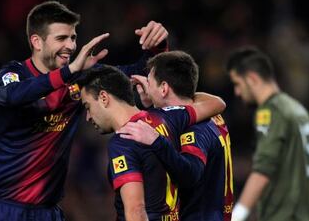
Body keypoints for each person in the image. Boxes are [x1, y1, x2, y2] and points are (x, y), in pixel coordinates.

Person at [0, 0, 169, 221]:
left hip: (47, 212)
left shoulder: (80, 77)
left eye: (73, 37)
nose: (71, 46)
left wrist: (157, 46)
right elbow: (11, 96)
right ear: (37, 41)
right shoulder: (14, 74)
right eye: (61, 38)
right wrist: (70, 71)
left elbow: (138, 72)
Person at [78, 65, 226, 221]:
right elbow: (217, 103)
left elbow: (136, 211)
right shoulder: (167, 116)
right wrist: (155, 96)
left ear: (103, 97)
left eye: (88, 106)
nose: (88, 117)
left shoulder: (124, 141)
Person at [117, 51, 234, 221]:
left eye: (149, 82)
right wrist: (152, 101)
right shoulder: (212, 113)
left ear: (164, 88)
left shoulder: (193, 128)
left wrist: (156, 141)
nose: (145, 88)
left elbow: (191, 174)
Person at [226, 46, 309, 221]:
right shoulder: (299, 111)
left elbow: (262, 171)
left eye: (237, 83)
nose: (237, 92)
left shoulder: (271, 112)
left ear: (252, 78)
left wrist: (236, 217)